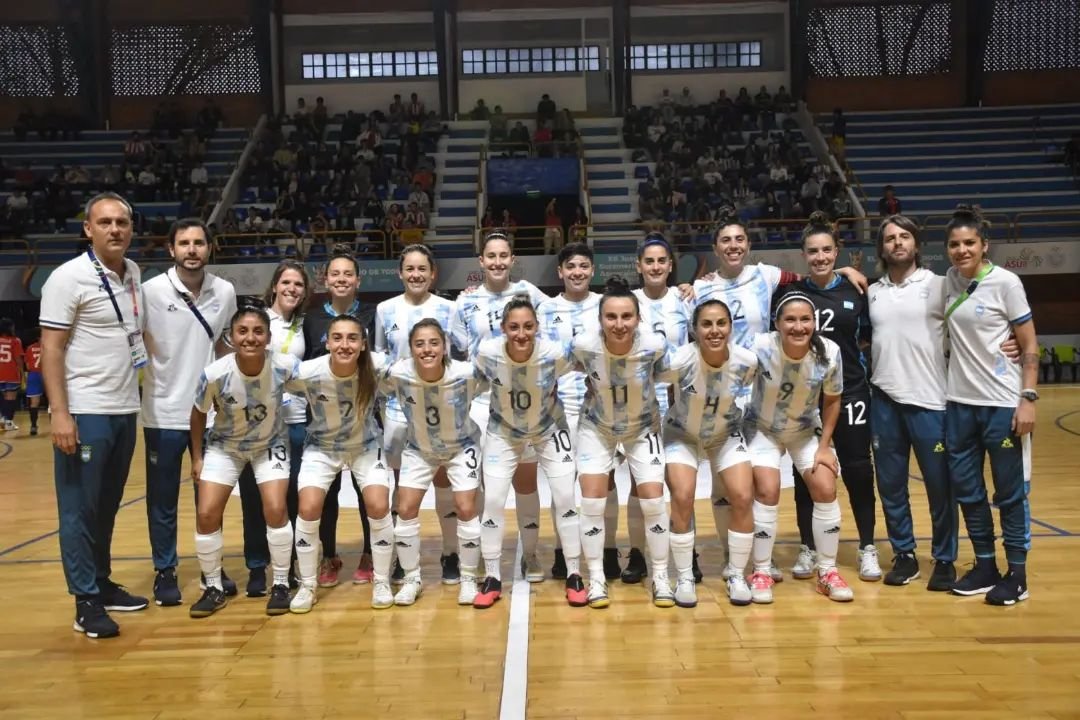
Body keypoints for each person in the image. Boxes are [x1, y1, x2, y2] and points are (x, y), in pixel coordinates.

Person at [693, 207, 866, 580]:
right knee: (728, 485)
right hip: (725, 390)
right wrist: (684, 287)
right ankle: (733, 556)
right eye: (726, 240)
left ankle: (769, 559)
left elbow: (809, 277)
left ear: (748, 244)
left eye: (740, 239)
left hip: (768, 386)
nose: (733, 245)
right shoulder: (701, 288)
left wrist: (843, 272)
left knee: (760, 485)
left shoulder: (766, 275)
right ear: (715, 247)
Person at [40, 192, 149, 638]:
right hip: (86, 411)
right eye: (105, 222)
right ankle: (85, 600)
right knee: (79, 509)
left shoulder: (133, 272)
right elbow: (51, 349)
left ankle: (101, 582)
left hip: (124, 408)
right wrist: (60, 414)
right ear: (88, 229)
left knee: (106, 504)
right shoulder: (67, 278)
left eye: (122, 222)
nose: (114, 229)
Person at [942, 206, 1038, 606]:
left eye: (969, 243)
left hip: (1002, 404)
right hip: (959, 404)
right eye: (954, 244)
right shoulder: (948, 281)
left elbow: (1029, 344)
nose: (961, 250)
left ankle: (1017, 574)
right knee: (969, 492)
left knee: (1010, 494)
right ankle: (985, 566)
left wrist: (1027, 398)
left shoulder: (1006, 283)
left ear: (985, 245)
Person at [141, 218, 237, 606]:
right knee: (162, 498)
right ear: (171, 249)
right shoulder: (150, 291)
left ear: (209, 248)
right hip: (162, 412)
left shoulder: (224, 291)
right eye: (184, 243)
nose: (192, 249)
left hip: (211, 416)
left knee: (210, 499)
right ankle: (165, 570)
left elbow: (224, 347)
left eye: (199, 242)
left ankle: (212, 566)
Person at [188, 306, 301, 618]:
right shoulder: (215, 373)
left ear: (268, 337)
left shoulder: (286, 366)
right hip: (225, 447)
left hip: (270, 445)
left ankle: (281, 583)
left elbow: (317, 390)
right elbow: (197, 414)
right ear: (231, 336)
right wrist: (197, 457)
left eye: (258, 331)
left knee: (275, 509)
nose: (250, 338)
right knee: (206, 513)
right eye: (243, 331)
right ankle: (213, 587)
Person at [473, 296, 585, 608]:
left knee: (565, 497)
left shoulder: (553, 353)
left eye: (528, 326)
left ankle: (575, 574)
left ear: (537, 327)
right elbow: (475, 381)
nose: (521, 334)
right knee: (493, 500)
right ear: (502, 328)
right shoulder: (487, 353)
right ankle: (492, 576)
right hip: (503, 430)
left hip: (549, 428)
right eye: (514, 327)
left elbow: (587, 363)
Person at [451, 231, 549, 581]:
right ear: (481, 261)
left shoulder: (529, 293)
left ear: (512, 259)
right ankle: (482, 552)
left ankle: (531, 554)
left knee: (526, 481)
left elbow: (553, 325)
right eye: (490, 256)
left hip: (522, 402)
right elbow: (460, 350)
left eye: (503, 255)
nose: (497, 262)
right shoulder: (465, 302)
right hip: (480, 402)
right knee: (482, 483)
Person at [868, 214, 959, 590]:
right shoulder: (872, 291)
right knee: (891, 486)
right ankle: (904, 554)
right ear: (882, 247)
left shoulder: (940, 285)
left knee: (940, 487)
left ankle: (945, 558)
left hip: (930, 400)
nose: (897, 243)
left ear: (917, 244)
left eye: (904, 236)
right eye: (890, 238)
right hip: (884, 399)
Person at [744, 292, 852, 604]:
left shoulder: (828, 352)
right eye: (790, 319)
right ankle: (761, 570)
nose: (798, 326)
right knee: (768, 489)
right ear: (777, 323)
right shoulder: (760, 346)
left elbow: (833, 400)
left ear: (814, 322)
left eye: (806, 319)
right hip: (762, 427)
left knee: (825, 486)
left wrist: (825, 446)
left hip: (804, 429)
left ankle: (827, 571)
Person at [790, 213, 880, 583]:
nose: (820, 257)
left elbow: (869, 337)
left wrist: (846, 272)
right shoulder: (792, 294)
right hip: (806, 398)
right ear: (804, 255)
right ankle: (808, 546)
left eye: (827, 250)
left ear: (837, 251)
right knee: (806, 474)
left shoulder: (856, 291)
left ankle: (867, 546)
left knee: (859, 469)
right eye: (813, 251)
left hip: (852, 391)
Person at [571, 278, 672, 609]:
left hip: (642, 427)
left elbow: (670, 376)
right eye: (611, 317)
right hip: (597, 427)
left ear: (638, 318)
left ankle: (660, 576)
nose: (619, 324)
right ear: (600, 319)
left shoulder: (654, 345)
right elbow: (559, 368)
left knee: (654, 500)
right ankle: (597, 577)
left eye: (626, 316)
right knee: (592, 501)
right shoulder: (583, 345)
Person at [285, 315, 392, 612]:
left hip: (365, 446)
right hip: (321, 447)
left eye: (352, 338)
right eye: (338, 338)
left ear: (363, 344)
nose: (345, 344)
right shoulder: (308, 371)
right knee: (308, 507)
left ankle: (382, 580)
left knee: (378, 505)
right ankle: (308, 585)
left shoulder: (378, 366)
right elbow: (269, 379)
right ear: (328, 343)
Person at [379, 319, 485, 606]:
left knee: (466, 507)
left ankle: (468, 578)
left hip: (461, 447)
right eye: (419, 344)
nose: (427, 349)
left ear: (444, 346)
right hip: (419, 448)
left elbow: (498, 379)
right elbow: (367, 377)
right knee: (405, 508)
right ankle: (411, 579)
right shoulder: (398, 373)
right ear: (411, 348)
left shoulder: (465, 372)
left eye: (434, 343)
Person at [661, 300, 758, 607]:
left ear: (730, 327)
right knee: (682, 496)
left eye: (721, 323)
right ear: (694, 329)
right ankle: (685, 576)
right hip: (682, 433)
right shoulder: (679, 360)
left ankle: (736, 574)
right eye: (706, 324)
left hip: (724, 434)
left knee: (742, 496)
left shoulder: (746, 361)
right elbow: (649, 382)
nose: (714, 331)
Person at [537, 244, 621, 581]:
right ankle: (563, 551)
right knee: (563, 485)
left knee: (605, 481)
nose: (577, 272)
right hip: (558, 408)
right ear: (560, 271)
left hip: (599, 408)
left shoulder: (605, 305)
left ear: (592, 270)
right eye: (571, 266)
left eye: (584, 266)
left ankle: (609, 551)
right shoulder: (545, 308)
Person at [373, 245, 457, 579]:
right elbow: (380, 358)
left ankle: (451, 553)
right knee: (401, 486)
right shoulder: (384, 309)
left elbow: (460, 355)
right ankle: (401, 556)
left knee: (443, 482)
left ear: (433, 273)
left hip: (439, 408)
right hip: (398, 410)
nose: (416, 274)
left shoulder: (450, 308)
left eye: (422, 268)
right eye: (410, 268)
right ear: (400, 273)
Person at [621, 236, 697, 586]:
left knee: (681, 485)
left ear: (670, 265)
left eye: (661, 260)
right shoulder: (628, 302)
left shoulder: (686, 300)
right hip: (639, 407)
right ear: (639, 266)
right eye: (648, 261)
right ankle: (638, 553)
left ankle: (687, 552)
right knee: (642, 485)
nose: (655, 266)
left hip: (681, 404)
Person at [306, 249, 377, 587]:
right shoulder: (311, 319)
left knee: (367, 492)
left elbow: (376, 363)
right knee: (327, 492)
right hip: (325, 420)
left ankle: (370, 553)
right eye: (335, 274)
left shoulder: (371, 314)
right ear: (326, 279)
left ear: (358, 280)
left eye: (348, 274)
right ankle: (329, 555)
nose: (342, 279)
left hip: (364, 416)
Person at [261, 261, 312, 590]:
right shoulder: (259, 320)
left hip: (296, 419)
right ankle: (260, 566)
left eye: (298, 284)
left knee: (294, 493)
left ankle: (291, 565)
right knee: (268, 499)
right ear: (274, 286)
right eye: (286, 283)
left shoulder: (304, 324)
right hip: (263, 423)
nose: (292, 289)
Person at [0, 318, 23, 431]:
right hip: (11, 373)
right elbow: (18, 358)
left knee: (3, 397)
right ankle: (8, 422)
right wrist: (22, 371)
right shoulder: (15, 341)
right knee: (11, 398)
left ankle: (1, 418)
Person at [23, 328, 43, 436]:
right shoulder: (50, 347)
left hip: (34, 375)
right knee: (53, 401)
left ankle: (33, 426)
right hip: (48, 374)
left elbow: (27, 366)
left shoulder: (30, 348)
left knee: (34, 403)